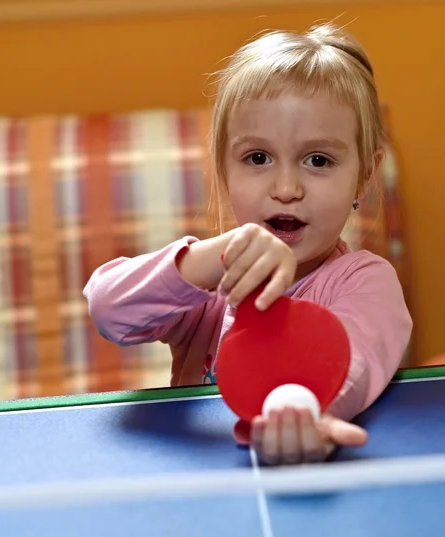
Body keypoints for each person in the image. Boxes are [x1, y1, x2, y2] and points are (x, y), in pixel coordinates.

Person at [83, 23, 412, 465]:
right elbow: (109, 308)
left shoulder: (366, 283)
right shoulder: (208, 288)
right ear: (225, 168)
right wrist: (216, 257)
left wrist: (302, 404)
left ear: (365, 175)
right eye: (257, 158)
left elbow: (354, 359)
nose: (286, 187)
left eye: (318, 160)